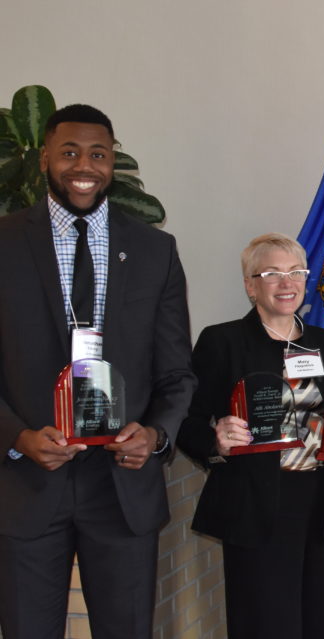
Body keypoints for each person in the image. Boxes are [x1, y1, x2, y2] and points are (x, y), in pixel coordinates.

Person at [0, 104, 196, 638]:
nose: (83, 165)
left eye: (98, 154)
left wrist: (155, 435)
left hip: (122, 487)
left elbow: (177, 372)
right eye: (68, 152)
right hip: (27, 482)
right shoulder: (5, 242)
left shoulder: (156, 251)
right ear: (44, 158)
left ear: (114, 162)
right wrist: (17, 435)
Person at [176, 233, 324, 639]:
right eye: (272, 273)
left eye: (296, 272)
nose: (287, 283)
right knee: (266, 625)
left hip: (317, 505)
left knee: (316, 624)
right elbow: (185, 420)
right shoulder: (223, 341)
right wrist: (216, 438)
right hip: (255, 506)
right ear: (251, 286)